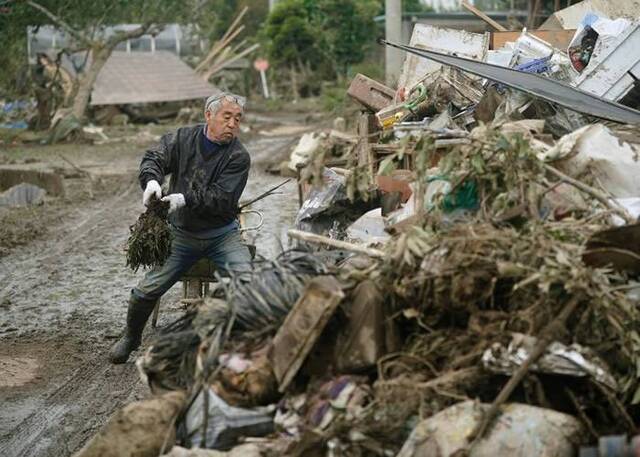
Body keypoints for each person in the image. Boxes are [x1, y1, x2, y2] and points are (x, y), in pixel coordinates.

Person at [109, 92, 252, 364]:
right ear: (208, 115)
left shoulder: (238, 156)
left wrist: (184, 198)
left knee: (248, 283)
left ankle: (240, 345)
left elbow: (223, 199)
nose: (233, 124)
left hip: (222, 235)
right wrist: (151, 181)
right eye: (227, 117)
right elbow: (155, 157)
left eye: (238, 118)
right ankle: (130, 336)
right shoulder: (182, 139)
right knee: (145, 291)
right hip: (181, 235)